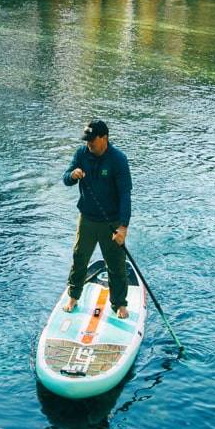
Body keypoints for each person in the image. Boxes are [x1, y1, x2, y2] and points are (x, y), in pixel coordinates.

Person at [62, 120, 132, 319]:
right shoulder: (81, 154)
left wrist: (123, 227)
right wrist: (72, 175)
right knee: (79, 257)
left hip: (111, 222)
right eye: (87, 140)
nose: (89, 144)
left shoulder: (118, 159)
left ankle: (119, 303)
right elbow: (65, 178)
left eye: (92, 140)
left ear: (104, 138)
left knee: (116, 264)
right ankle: (73, 296)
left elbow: (125, 194)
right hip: (87, 219)